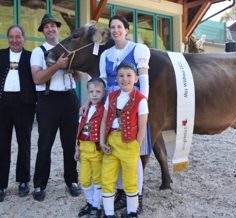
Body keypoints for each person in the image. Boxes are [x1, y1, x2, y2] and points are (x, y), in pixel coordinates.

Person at [80, 14, 151, 212]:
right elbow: (100, 84)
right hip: (111, 105)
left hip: (131, 103)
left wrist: (141, 104)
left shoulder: (138, 49)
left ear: (126, 29)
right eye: (112, 27)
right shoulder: (105, 55)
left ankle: (137, 195)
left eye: (119, 27)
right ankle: (121, 193)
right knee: (113, 152)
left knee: (133, 153)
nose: (116, 30)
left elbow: (143, 80)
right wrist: (89, 102)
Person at [0, 25, 36, 203]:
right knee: (2, 145)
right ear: (8, 39)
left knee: (24, 143)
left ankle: (23, 181)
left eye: (18, 36)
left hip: (25, 105)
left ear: (24, 38)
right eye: (11, 37)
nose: (15, 40)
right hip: (2, 105)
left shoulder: (31, 56)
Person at [31, 14, 80, 201]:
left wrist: (72, 66)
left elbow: (78, 78)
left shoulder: (67, 48)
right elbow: (38, 78)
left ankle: (72, 181)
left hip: (69, 99)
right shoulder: (38, 51)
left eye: (53, 26)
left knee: (69, 144)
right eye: (46, 27)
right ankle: (39, 184)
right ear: (43, 32)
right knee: (44, 145)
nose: (50, 29)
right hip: (48, 100)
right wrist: (57, 66)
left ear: (58, 29)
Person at [99, 61, 148, 218]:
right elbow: (104, 121)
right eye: (121, 75)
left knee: (130, 178)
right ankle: (108, 213)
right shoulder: (111, 96)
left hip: (129, 144)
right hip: (111, 142)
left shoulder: (140, 99)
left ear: (135, 78)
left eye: (129, 75)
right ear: (116, 78)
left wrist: (136, 146)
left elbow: (142, 127)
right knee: (107, 177)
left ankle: (132, 212)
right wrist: (102, 141)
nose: (124, 79)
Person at [75, 78, 106, 218]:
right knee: (85, 179)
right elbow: (79, 129)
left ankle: (96, 206)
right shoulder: (84, 110)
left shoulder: (104, 110)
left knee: (98, 179)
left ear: (103, 93)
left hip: (96, 149)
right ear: (88, 93)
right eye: (91, 91)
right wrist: (76, 148)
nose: (94, 95)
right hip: (83, 149)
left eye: (98, 92)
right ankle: (90, 202)